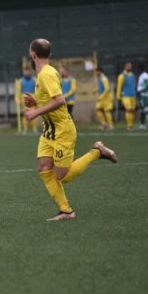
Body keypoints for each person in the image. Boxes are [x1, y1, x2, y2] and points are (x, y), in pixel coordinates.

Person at [22, 39, 117, 221]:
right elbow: (53, 99)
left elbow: (60, 101)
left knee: (61, 176)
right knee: (43, 168)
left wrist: (35, 111)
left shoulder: (46, 75)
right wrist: (37, 102)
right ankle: (66, 211)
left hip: (62, 130)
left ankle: (97, 152)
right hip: (49, 130)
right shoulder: (45, 72)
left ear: (33, 54)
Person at [15, 67, 39, 133]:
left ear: (30, 72)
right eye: (25, 71)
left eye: (28, 71)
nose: (27, 73)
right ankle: (25, 129)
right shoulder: (20, 81)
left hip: (33, 98)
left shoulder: (34, 79)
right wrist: (18, 99)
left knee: (34, 113)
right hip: (24, 99)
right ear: (23, 72)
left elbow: (38, 89)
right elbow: (18, 91)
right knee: (25, 114)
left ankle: (35, 128)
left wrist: (37, 98)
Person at [116, 61, 137, 130]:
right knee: (128, 109)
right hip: (126, 96)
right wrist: (118, 96)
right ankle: (129, 125)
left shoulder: (133, 74)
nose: (129, 67)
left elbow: (133, 85)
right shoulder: (121, 76)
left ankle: (131, 124)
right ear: (125, 67)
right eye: (128, 66)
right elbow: (119, 86)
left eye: (130, 66)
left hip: (133, 95)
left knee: (133, 110)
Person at [137, 64, 148, 129]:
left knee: (147, 110)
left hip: (145, 96)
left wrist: (141, 91)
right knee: (141, 110)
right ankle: (142, 125)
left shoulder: (144, 75)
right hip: (141, 95)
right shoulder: (141, 76)